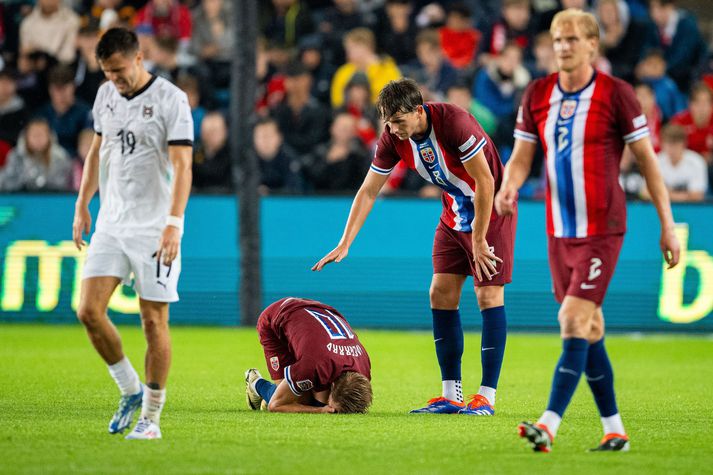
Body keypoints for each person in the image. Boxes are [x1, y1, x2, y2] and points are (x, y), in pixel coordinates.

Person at [494, 9, 680, 453]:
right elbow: (522, 156)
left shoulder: (617, 95)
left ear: (593, 45)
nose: (563, 46)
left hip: (604, 228)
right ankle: (614, 428)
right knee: (589, 326)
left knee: (572, 319)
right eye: (557, 39)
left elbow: (649, 163)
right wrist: (509, 187)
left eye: (573, 39)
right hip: (559, 231)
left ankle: (548, 425)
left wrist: (667, 225)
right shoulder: (537, 93)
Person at [314, 78, 515, 416]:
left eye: (399, 121)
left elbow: (486, 181)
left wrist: (479, 239)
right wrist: (345, 242)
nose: (393, 130)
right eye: (388, 123)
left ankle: (486, 397)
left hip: (490, 210)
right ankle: (451, 395)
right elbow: (368, 190)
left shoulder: (455, 122)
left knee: (488, 296)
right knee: (440, 293)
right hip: (453, 213)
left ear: (419, 111)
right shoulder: (393, 137)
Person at [72, 27, 193, 440]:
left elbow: (182, 166)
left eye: (120, 71)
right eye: (107, 72)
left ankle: (151, 418)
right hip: (111, 222)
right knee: (88, 310)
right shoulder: (105, 95)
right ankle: (129, 389)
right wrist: (83, 203)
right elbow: (96, 150)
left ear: (140, 58)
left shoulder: (171, 100)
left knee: (153, 322)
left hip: (154, 228)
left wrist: (174, 224)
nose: (115, 80)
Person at [244, 297, 373, 414]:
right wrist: (320, 410)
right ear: (332, 384)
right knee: (298, 400)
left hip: (315, 312)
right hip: (278, 316)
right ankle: (255, 383)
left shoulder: (364, 371)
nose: (332, 410)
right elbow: (276, 405)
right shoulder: (313, 365)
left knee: (314, 395)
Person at [0, 117, 72, 191]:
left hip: (52, 199)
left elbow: (64, 184)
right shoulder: (16, 156)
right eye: (34, 135)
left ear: (49, 136)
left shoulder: (61, 157)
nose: (38, 139)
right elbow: (7, 183)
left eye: (41, 134)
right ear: (26, 137)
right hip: (21, 198)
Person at [653, 124, 708, 202]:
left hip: (690, 209)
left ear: (684, 144)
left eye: (675, 144)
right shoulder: (655, 162)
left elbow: (697, 195)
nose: (671, 149)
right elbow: (645, 192)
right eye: (668, 143)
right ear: (662, 144)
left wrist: (664, 194)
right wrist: (684, 195)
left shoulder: (696, 162)